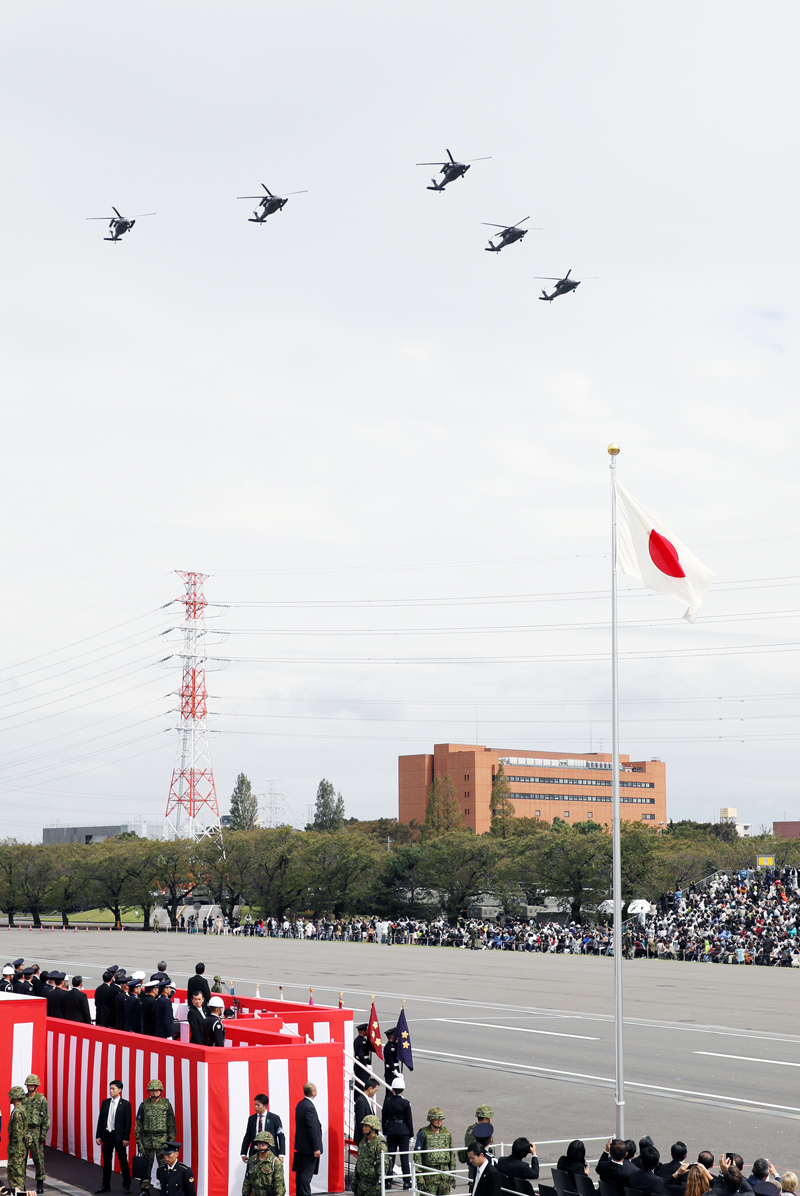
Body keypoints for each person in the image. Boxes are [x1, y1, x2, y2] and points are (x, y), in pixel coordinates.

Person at [135, 1078, 176, 1193]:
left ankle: (164, 1188)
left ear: (161, 1091)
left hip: (162, 1141)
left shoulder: (166, 1104)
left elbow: (171, 1124)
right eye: (152, 1090)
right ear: (149, 1091)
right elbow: (138, 1124)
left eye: (157, 1090)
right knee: (146, 1166)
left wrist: (171, 1142)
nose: (154, 1092)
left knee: (164, 1166)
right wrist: (138, 1142)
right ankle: (144, 1189)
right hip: (147, 1140)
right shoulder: (144, 1105)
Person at [95, 1079, 132, 1195]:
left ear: (119, 1090)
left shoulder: (125, 1104)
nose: (111, 1091)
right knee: (106, 1161)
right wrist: (98, 1135)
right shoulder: (105, 1103)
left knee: (123, 1161)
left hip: (119, 1137)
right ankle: (105, 1185)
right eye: (110, 1088)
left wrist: (126, 1138)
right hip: (107, 1135)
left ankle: (126, 1185)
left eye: (113, 1089)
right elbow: (101, 1120)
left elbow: (128, 1122)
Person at [381, 1075, 413, 1191]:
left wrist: (385, 1132)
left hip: (391, 1130)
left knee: (390, 1157)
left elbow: (384, 1118)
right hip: (403, 1130)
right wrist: (411, 1134)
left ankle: (388, 1181)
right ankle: (406, 1181)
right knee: (404, 1157)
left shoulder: (387, 1102)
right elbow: (409, 1120)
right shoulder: (406, 1103)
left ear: (392, 1089)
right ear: (402, 1090)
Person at [414, 1108, 455, 1195]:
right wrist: (419, 1176)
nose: (439, 1122)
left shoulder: (446, 1133)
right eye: (436, 1119)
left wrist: (453, 1174)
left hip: (444, 1174)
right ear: (431, 1120)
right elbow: (417, 1155)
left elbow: (452, 1154)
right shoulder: (423, 1133)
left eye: (441, 1119)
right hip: (429, 1173)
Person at [292, 1081, 323, 1196]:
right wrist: (316, 1147)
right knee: (306, 1175)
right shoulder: (309, 1107)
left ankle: (300, 1193)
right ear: (313, 1092)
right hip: (309, 1148)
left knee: (300, 1173)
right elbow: (312, 1129)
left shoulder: (301, 1104)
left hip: (301, 1146)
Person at [23, 1074, 49, 1194]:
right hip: (24, 1131)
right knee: (22, 1159)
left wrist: (42, 1135)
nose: (30, 1087)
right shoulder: (23, 1099)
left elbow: (46, 1119)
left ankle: (40, 1183)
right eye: (28, 1085)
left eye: (32, 1085)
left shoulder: (41, 1099)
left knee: (38, 1159)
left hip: (36, 1131)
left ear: (36, 1085)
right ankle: (21, 1183)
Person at [241, 1095, 285, 1162]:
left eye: (258, 1105)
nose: (256, 1107)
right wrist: (243, 1153)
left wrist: (281, 1154)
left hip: (270, 1153)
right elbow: (247, 1136)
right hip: (255, 1152)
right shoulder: (252, 1119)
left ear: (265, 1106)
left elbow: (281, 1136)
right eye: (255, 1104)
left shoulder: (274, 1118)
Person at [243, 1131, 285, 1196]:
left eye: (264, 1143)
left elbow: (279, 1187)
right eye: (259, 1143)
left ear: (269, 1144)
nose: (261, 1145)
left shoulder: (275, 1162)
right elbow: (247, 1182)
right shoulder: (252, 1160)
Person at [355, 1116, 389, 1196]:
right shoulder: (363, 1142)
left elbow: (382, 1166)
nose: (363, 1128)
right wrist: (355, 1179)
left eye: (366, 1126)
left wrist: (379, 1183)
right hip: (361, 1183)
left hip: (373, 1185)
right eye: (363, 1126)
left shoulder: (379, 1144)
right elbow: (359, 1160)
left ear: (373, 1128)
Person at [6, 1087, 29, 1193]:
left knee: (15, 1175)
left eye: (11, 1096)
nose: (9, 1098)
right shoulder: (22, 1109)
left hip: (16, 1148)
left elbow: (17, 1133)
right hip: (20, 1147)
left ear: (15, 1097)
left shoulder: (17, 1112)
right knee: (20, 1173)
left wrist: (14, 1150)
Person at [354, 1081, 379, 1147]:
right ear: (370, 1088)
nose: (375, 1093)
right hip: (365, 1139)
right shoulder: (361, 1101)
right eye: (375, 1090)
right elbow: (360, 1121)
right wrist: (365, 1139)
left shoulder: (366, 1100)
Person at [353, 1023, 373, 1088]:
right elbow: (361, 1055)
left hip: (358, 1065)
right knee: (363, 1084)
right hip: (362, 1066)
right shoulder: (363, 1041)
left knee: (358, 1084)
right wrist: (366, 1065)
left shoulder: (356, 1040)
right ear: (363, 1031)